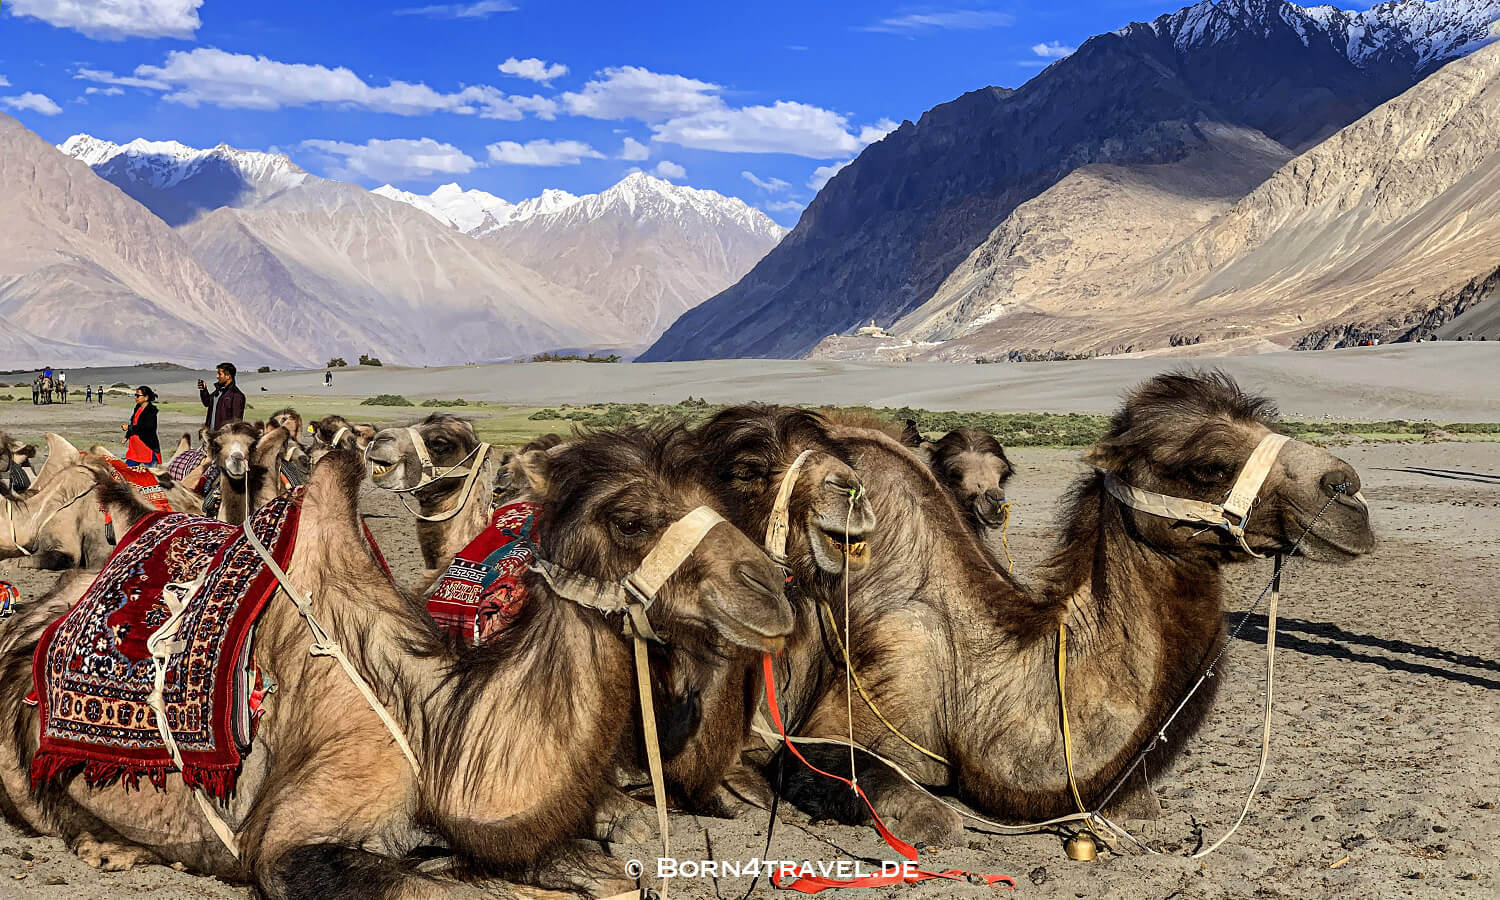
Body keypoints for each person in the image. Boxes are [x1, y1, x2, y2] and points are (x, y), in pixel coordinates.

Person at [199, 362, 246, 432]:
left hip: (224, 439)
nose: (217, 376)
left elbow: (236, 423)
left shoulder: (237, 396)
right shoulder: (218, 392)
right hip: (211, 436)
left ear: (228, 376)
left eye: (219, 374)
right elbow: (206, 402)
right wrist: (203, 390)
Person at [122, 386, 162, 468]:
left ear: (146, 397)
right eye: (135, 395)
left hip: (147, 447)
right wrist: (127, 436)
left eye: (138, 395)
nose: (136, 397)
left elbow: (147, 427)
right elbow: (134, 422)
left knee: (152, 475)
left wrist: (129, 428)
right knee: (126, 471)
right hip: (135, 449)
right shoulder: (137, 408)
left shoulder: (151, 411)